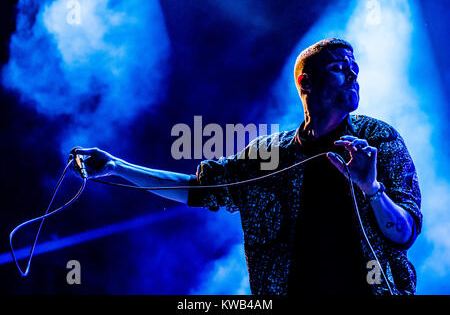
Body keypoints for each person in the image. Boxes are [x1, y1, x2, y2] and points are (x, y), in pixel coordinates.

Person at [72, 38, 422, 295]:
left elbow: (404, 233)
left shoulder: (377, 139)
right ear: (305, 83)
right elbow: (198, 190)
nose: (352, 75)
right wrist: (117, 167)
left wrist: (371, 189)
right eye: (338, 68)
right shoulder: (269, 154)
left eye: (354, 69)